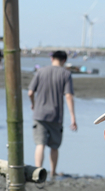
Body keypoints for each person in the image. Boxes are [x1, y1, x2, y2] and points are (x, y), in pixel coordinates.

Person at [28, 50, 77, 178]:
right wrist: (73, 117)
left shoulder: (40, 71)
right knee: (54, 146)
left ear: (52, 59)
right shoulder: (66, 74)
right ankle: (53, 172)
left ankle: (37, 172)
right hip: (56, 115)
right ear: (64, 60)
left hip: (39, 113)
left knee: (40, 144)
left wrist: (33, 104)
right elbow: (69, 96)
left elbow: (30, 92)